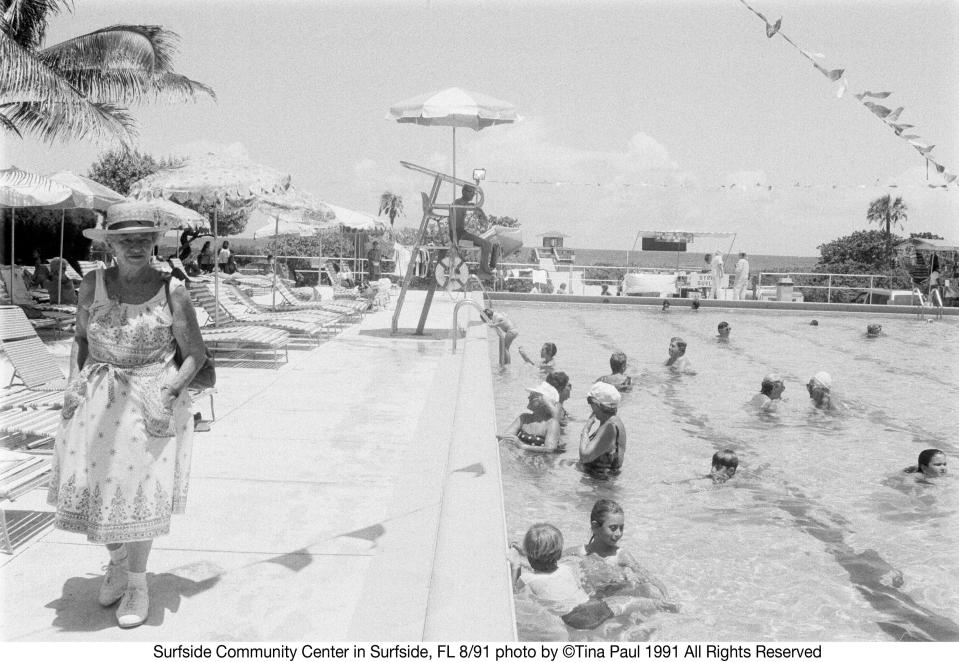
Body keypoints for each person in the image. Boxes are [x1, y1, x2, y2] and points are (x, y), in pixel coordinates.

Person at [48, 201, 206, 629]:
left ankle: (138, 582)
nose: (135, 246)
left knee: (137, 493)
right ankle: (117, 563)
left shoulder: (172, 289)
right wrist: (72, 385)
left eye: (143, 238)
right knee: (97, 491)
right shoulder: (92, 284)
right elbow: (81, 342)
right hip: (97, 401)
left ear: (156, 241)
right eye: (125, 239)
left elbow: (195, 355)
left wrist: (170, 391)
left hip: (149, 400)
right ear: (111, 244)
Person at [566, 499, 675, 610]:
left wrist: (667, 598)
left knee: (646, 589)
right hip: (592, 602)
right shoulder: (577, 553)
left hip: (618, 602)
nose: (618, 533)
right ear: (595, 527)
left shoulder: (621, 555)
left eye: (621, 528)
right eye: (613, 528)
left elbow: (648, 578)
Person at [509, 523, 616, 630]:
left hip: (574, 619)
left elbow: (513, 591)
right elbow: (545, 572)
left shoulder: (527, 578)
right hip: (595, 607)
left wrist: (516, 566)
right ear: (560, 555)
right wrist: (527, 554)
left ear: (529, 555)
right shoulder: (566, 568)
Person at [579, 382, 626, 479]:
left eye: (590, 402)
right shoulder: (614, 422)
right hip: (601, 486)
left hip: (599, 487)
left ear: (596, 404)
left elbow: (585, 457)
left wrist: (585, 431)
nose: (590, 407)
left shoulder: (609, 427)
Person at [498, 382, 562, 453]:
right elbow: (506, 436)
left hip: (542, 462)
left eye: (533, 395)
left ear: (543, 402)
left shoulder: (552, 424)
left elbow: (550, 449)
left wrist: (523, 446)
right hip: (522, 460)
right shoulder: (523, 418)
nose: (528, 397)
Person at [451, 184, 493, 278]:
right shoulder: (459, 203)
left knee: (487, 245)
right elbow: (476, 206)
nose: (473, 195)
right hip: (459, 238)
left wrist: (481, 216)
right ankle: (483, 271)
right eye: (472, 193)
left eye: (474, 193)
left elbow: (475, 207)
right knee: (485, 244)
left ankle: (487, 268)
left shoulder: (462, 203)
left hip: (461, 237)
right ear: (464, 192)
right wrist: (481, 197)